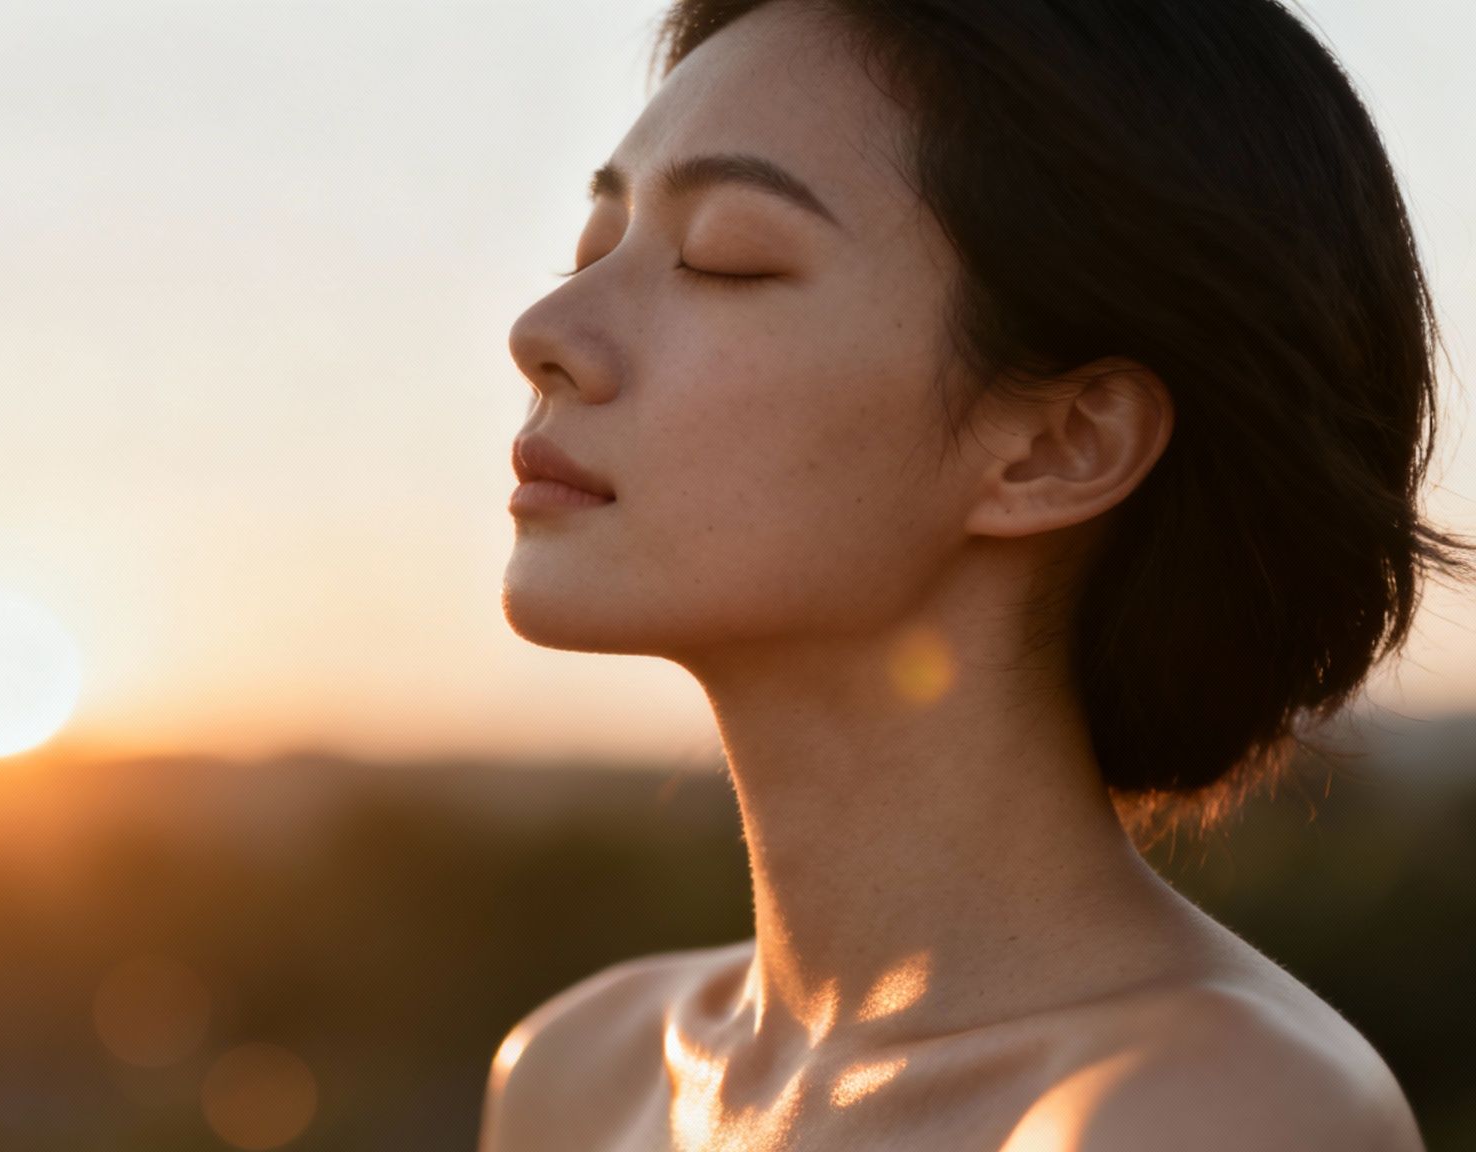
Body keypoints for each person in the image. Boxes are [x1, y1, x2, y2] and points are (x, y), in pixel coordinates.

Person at [484, 0, 1471, 1148]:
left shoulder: (1200, 1111)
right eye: (596, 247)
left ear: (1060, 445)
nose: (543, 327)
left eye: (724, 259)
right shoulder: (578, 1074)